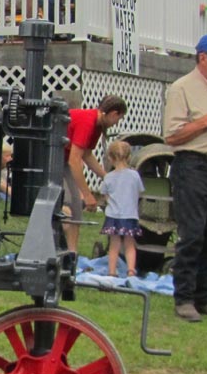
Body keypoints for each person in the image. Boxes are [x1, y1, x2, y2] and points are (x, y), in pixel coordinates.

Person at [163, 34, 207, 321]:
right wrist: (205, 121)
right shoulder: (181, 88)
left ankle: (204, 296)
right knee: (192, 232)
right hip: (192, 164)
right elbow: (172, 136)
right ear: (203, 57)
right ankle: (183, 298)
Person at [62, 95, 128, 253]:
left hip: (63, 159)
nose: (116, 123)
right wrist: (87, 194)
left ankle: (71, 255)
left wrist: (107, 177)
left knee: (76, 208)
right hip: (51, 158)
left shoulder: (98, 126)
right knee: (70, 205)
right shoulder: (87, 122)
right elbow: (74, 160)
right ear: (113, 114)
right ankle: (61, 251)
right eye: (118, 119)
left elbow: (87, 155)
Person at [98, 140, 145, 278]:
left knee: (114, 244)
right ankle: (131, 271)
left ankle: (112, 272)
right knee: (130, 244)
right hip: (130, 215)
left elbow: (104, 195)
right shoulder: (135, 175)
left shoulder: (108, 177)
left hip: (113, 216)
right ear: (129, 156)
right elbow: (140, 192)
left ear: (110, 158)